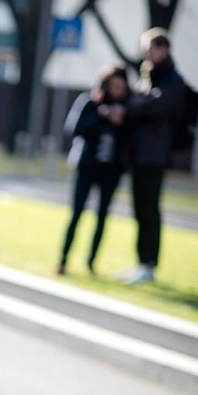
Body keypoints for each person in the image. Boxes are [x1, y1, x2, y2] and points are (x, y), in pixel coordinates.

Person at [119, 28, 185, 285]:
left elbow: (155, 105)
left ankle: (150, 264)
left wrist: (134, 103)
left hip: (155, 155)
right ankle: (141, 262)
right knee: (139, 208)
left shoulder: (172, 79)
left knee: (150, 208)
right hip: (139, 154)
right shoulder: (148, 76)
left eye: (150, 48)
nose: (146, 53)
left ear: (163, 49)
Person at [57, 64, 129, 276]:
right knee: (77, 213)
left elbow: (131, 139)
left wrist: (122, 120)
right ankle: (63, 260)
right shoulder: (90, 101)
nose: (117, 90)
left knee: (102, 217)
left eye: (121, 86)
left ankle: (90, 263)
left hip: (111, 171)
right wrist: (101, 114)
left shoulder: (127, 108)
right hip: (87, 167)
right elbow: (74, 129)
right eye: (113, 85)